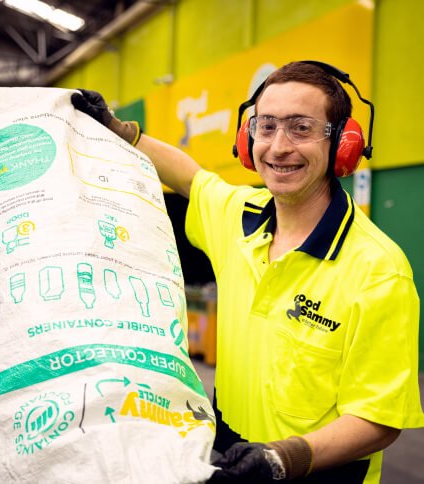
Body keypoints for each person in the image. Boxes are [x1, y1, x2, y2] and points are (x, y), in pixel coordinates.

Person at [71, 61, 424, 483]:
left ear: (343, 144)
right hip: (227, 453)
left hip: (317, 470)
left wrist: (283, 459)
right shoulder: (239, 215)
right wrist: (122, 131)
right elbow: (189, 178)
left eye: (301, 128)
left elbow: (379, 418)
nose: (278, 147)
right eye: (267, 126)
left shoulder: (377, 270)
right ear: (247, 137)